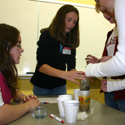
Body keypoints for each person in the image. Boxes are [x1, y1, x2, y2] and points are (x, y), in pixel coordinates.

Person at [30, 4, 84, 95]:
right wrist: (64, 74)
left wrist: (79, 75)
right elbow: (42, 66)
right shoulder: (46, 35)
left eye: (75, 22)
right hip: (42, 85)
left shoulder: (71, 39)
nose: (71, 24)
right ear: (60, 18)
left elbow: (71, 67)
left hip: (60, 86)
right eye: (69, 20)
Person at [85, 3, 125, 113]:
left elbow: (121, 62)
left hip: (122, 92)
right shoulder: (110, 33)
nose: (105, 15)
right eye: (102, 12)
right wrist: (97, 62)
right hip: (108, 89)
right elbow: (108, 60)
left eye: (106, 10)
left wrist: (93, 70)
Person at [0, 23, 41, 124]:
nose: (22, 50)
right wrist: (28, 106)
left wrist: (22, 97)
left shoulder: (4, 71)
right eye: (18, 45)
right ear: (6, 47)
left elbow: (11, 91)